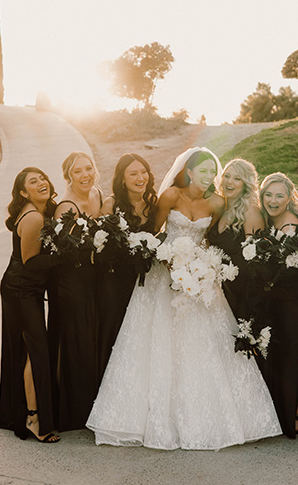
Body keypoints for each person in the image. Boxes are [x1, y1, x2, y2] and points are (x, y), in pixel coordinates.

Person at [86, 147, 282, 449]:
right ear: (189, 172)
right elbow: (155, 233)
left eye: (211, 172)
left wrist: (204, 268)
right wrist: (167, 259)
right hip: (164, 276)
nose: (209, 177)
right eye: (202, 171)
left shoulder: (218, 202)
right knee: (158, 340)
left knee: (203, 342)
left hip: (201, 278)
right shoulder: (171, 196)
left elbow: (212, 238)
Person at [0, 167, 60, 443]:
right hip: (20, 289)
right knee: (35, 351)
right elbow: (31, 262)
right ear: (23, 192)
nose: (41, 182)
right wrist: (68, 254)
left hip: (24, 288)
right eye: (33, 182)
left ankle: (16, 413)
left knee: (27, 349)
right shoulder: (33, 217)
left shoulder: (43, 210)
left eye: (43, 178)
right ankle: (33, 418)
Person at [258, 172, 298, 438]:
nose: (272, 200)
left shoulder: (290, 225)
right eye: (268, 194)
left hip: (294, 298)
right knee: (287, 353)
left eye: (279, 195)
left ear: (289, 198)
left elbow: (288, 266)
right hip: (281, 296)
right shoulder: (273, 219)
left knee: (292, 353)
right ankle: (292, 407)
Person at [98, 154, 158, 379]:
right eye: (133, 173)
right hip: (116, 282)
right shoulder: (111, 204)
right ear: (122, 179)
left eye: (143, 172)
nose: (140, 177)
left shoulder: (153, 202)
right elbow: (102, 246)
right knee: (117, 333)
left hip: (145, 282)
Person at [55, 151, 102, 431]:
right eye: (78, 172)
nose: (85, 175)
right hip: (73, 281)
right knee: (76, 340)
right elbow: (65, 252)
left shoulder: (96, 193)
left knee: (93, 339)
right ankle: (73, 411)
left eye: (89, 168)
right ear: (68, 177)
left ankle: (92, 405)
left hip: (96, 278)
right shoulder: (65, 206)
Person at [207, 158, 264, 317]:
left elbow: (255, 259)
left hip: (240, 288)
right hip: (216, 285)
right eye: (227, 176)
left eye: (237, 178)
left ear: (246, 184)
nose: (229, 182)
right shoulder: (219, 205)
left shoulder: (250, 211)